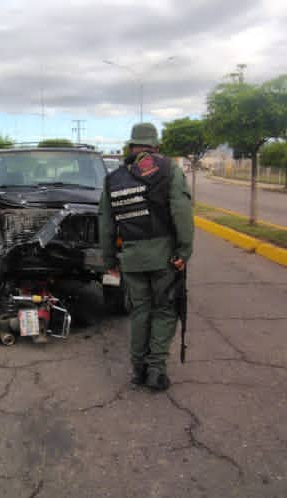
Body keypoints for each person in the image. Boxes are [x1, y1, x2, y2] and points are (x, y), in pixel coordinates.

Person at [99, 123, 194, 392]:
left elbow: (106, 223)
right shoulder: (169, 170)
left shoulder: (113, 178)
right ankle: (156, 371)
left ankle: (137, 370)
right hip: (165, 258)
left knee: (140, 312)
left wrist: (109, 260)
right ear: (156, 147)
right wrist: (184, 251)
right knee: (164, 310)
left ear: (130, 147)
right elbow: (182, 212)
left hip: (131, 258)